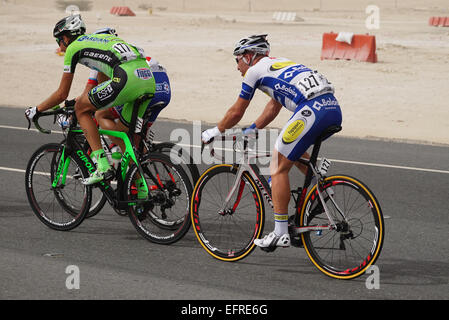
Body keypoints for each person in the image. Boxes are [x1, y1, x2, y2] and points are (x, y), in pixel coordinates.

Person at [201, 34, 342, 252]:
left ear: (248, 57)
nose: (236, 65)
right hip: (332, 109)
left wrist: (215, 131)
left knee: (277, 164)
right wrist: (253, 129)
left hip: (312, 109)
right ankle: (320, 190)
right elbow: (274, 107)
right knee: (291, 150)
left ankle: (280, 232)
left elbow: (237, 110)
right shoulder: (278, 64)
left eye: (237, 59)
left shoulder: (254, 71)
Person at [25, 15, 156, 185]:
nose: (60, 46)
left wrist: (37, 110)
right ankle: (141, 188)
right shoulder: (100, 39)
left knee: (81, 109)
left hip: (127, 78)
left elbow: (61, 94)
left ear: (65, 38)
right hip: (147, 78)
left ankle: (102, 166)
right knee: (123, 137)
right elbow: (102, 80)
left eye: (59, 41)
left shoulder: (73, 48)